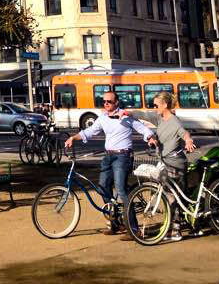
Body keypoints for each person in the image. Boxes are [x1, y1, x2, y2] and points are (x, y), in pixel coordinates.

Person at [64, 92, 156, 237]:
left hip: (123, 156)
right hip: (108, 156)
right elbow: (89, 131)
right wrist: (73, 138)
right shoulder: (103, 118)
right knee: (103, 187)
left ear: (117, 103)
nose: (106, 104)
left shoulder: (125, 116)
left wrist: (150, 138)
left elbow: (142, 128)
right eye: (104, 101)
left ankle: (134, 229)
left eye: (109, 101)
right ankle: (116, 224)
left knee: (121, 189)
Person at [148, 92, 196, 242]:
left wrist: (188, 141)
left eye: (156, 105)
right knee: (168, 196)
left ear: (165, 105)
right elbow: (142, 115)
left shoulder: (175, 121)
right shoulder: (160, 119)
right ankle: (176, 226)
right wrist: (126, 112)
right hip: (164, 161)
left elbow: (184, 133)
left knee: (172, 197)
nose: (154, 107)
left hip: (175, 163)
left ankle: (176, 230)